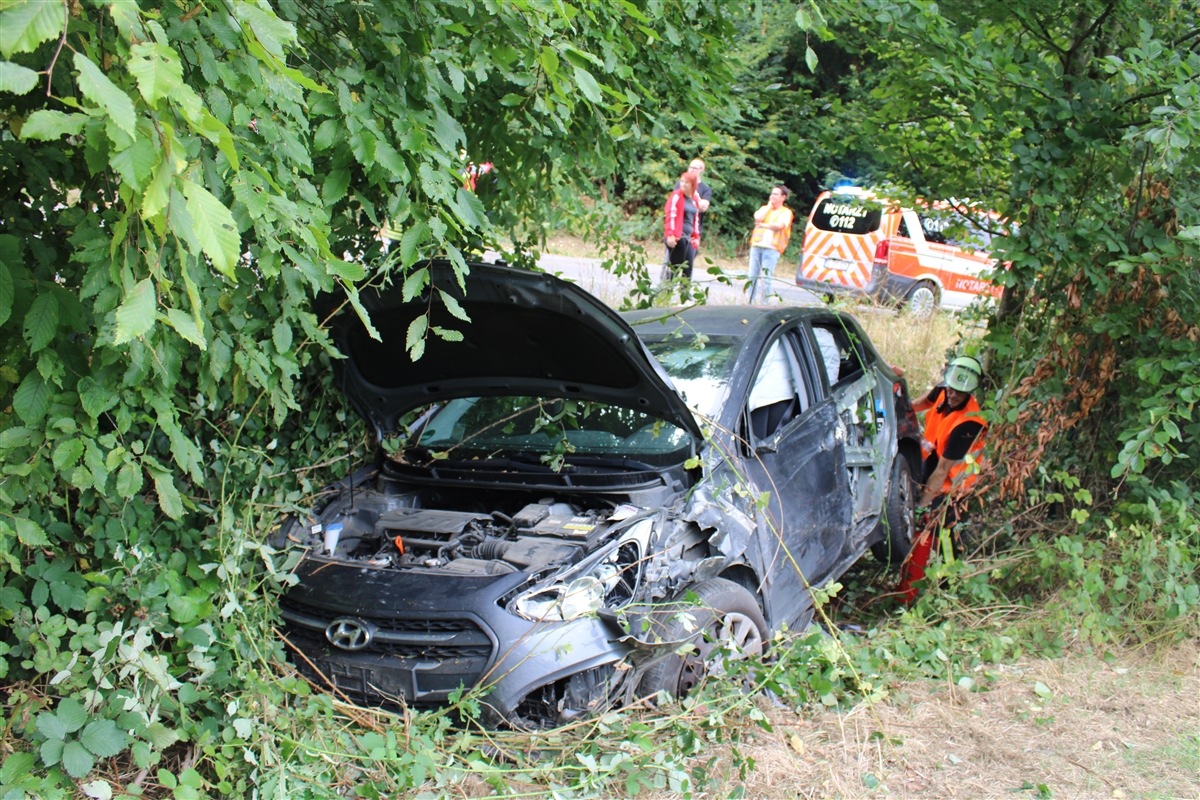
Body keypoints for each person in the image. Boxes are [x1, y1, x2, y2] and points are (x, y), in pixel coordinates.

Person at [897, 355, 988, 602]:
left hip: (954, 485)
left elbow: (943, 472)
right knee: (922, 525)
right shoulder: (944, 389)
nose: (952, 395)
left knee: (943, 534)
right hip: (934, 460)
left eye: (959, 392)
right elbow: (920, 404)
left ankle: (949, 588)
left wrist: (924, 504)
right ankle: (915, 578)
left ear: (969, 392)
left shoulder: (968, 425)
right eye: (950, 389)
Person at [746, 185, 793, 304]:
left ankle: (764, 304)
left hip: (772, 249)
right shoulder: (764, 209)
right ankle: (749, 302)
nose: (772, 196)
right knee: (752, 277)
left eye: (776, 194)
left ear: (783, 197)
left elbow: (779, 226)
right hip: (757, 246)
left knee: (766, 279)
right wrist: (768, 206)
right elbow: (757, 217)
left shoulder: (786, 212)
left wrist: (763, 225)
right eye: (772, 194)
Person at [663, 171, 702, 282]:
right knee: (675, 267)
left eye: (687, 183)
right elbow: (670, 214)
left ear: (693, 185)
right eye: (682, 182)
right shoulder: (676, 196)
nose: (683, 185)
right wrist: (670, 234)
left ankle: (684, 295)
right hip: (677, 237)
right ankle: (666, 293)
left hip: (689, 237)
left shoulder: (695, 199)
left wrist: (696, 236)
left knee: (688, 268)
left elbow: (696, 219)